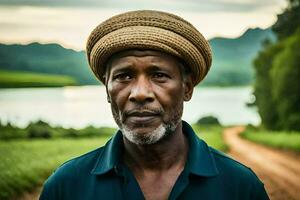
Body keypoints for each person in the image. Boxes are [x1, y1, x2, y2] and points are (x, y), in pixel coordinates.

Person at [39, 10, 269, 200]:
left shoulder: (240, 188)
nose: (140, 94)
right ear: (107, 90)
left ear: (187, 88)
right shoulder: (66, 187)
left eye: (158, 75)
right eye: (124, 76)